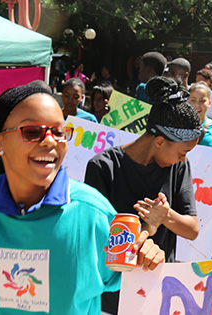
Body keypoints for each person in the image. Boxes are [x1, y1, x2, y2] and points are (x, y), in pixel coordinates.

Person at [0, 84, 164, 314]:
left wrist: (148, 257)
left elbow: (128, 274)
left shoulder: (93, 213)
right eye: (32, 132)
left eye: (59, 132)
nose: (51, 141)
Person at [84, 77, 201, 315]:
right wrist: (147, 229)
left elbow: (192, 229)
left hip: (159, 293)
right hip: (111, 298)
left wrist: (165, 216)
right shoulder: (103, 167)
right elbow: (97, 241)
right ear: (159, 141)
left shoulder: (178, 167)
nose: (183, 158)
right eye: (182, 152)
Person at [188, 82, 212, 147]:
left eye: (202, 101)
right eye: (193, 100)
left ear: (209, 103)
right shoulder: (178, 126)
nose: (197, 105)